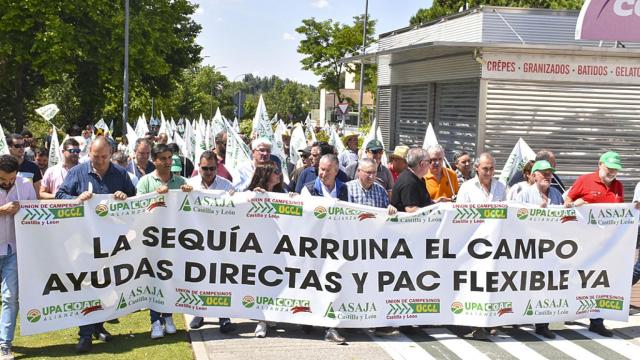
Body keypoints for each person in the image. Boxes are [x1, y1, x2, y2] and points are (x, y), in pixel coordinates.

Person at [56, 136, 136, 353]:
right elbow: (60, 195)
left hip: (111, 242)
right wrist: (76, 199)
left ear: (110, 154)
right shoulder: (77, 172)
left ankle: (98, 326)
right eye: (95, 156)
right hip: (83, 240)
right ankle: (84, 335)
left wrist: (124, 196)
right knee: (85, 285)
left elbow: (134, 199)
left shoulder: (120, 174)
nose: (100, 161)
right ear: (88, 153)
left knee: (105, 285)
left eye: (104, 156)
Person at [564, 151, 625, 338]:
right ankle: (569, 311)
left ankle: (597, 322)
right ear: (600, 164)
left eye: (615, 169)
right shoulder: (585, 180)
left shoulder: (618, 186)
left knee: (600, 282)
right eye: (609, 168)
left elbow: (621, 211)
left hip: (605, 245)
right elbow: (566, 203)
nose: (613, 172)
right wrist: (576, 204)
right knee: (577, 278)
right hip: (582, 243)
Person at [136, 144, 192, 339]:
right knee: (153, 278)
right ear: (155, 161)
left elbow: (189, 209)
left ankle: (168, 316)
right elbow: (138, 208)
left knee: (169, 278)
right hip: (152, 240)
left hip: (174, 240)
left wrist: (188, 193)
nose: (168, 162)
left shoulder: (181, 181)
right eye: (164, 159)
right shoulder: (145, 182)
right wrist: (154, 196)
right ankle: (155, 321)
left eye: (170, 158)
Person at [456, 152, 506, 340]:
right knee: (474, 284)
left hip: (494, 244)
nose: (488, 172)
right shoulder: (467, 188)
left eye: (492, 168)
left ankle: (490, 321)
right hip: (473, 244)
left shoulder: (501, 187)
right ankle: (474, 325)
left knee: (492, 283)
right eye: (485, 168)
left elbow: (506, 212)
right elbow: (459, 215)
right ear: (477, 168)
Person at [299, 154, 347, 343]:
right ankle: (308, 318)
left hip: (336, 247)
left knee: (332, 284)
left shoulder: (344, 189)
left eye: (327, 170)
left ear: (336, 171)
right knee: (312, 285)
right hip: (314, 246)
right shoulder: (309, 189)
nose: (323, 173)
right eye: (321, 169)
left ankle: (330, 327)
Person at [187, 150, 234, 333]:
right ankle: (199, 313)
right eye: (204, 168)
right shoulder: (189, 185)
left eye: (212, 168)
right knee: (199, 277)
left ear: (217, 168)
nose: (208, 172)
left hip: (220, 240)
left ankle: (224, 316)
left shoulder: (226, 185)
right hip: (196, 241)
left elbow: (240, 206)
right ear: (198, 167)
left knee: (220, 278)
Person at [516, 160, 563, 339]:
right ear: (534, 175)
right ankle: (517, 316)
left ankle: (543, 324)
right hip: (529, 248)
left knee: (547, 286)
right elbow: (516, 217)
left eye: (550, 173)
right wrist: (537, 210)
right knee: (526, 284)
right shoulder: (525, 194)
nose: (547, 176)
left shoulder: (557, 194)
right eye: (543, 173)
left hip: (551, 248)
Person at [0, 155, 37, 359]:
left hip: (14, 249)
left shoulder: (25, 184)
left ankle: (5, 344)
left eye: (11, 179)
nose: (7, 183)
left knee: (10, 297)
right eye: (3, 179)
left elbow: (34, 211)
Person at [390, 148, 433, 213]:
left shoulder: (416, 178)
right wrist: (435, 210)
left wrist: (438, 203)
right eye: (430, 162)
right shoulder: (409, 182)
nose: (430, 165)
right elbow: (411, 210)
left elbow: (423, 202)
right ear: (422, 164)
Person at [6, 134, 42, 198]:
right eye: (17, 146)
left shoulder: (33, 167)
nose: (22, 148)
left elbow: (37, 193)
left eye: (23, 145)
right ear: (9, 147)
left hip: (28, 206)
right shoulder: (2, 167)